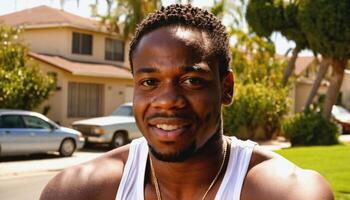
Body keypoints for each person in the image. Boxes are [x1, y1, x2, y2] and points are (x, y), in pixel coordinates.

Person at [40, 4, 334, 200]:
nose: (167, 101)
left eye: (192, 81)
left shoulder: (285, 192)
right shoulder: (80, 191)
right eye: (149, 82)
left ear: (226, 88)